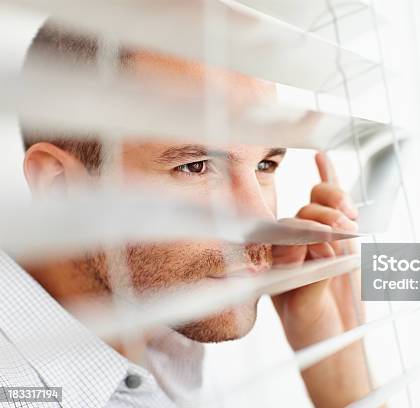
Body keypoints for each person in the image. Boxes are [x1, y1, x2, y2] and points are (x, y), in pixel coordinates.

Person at [0, 20, 370, 407]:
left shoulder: (166, 352)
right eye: (196, 166)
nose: (260, 222)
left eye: (265, 165)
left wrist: (336, 358)